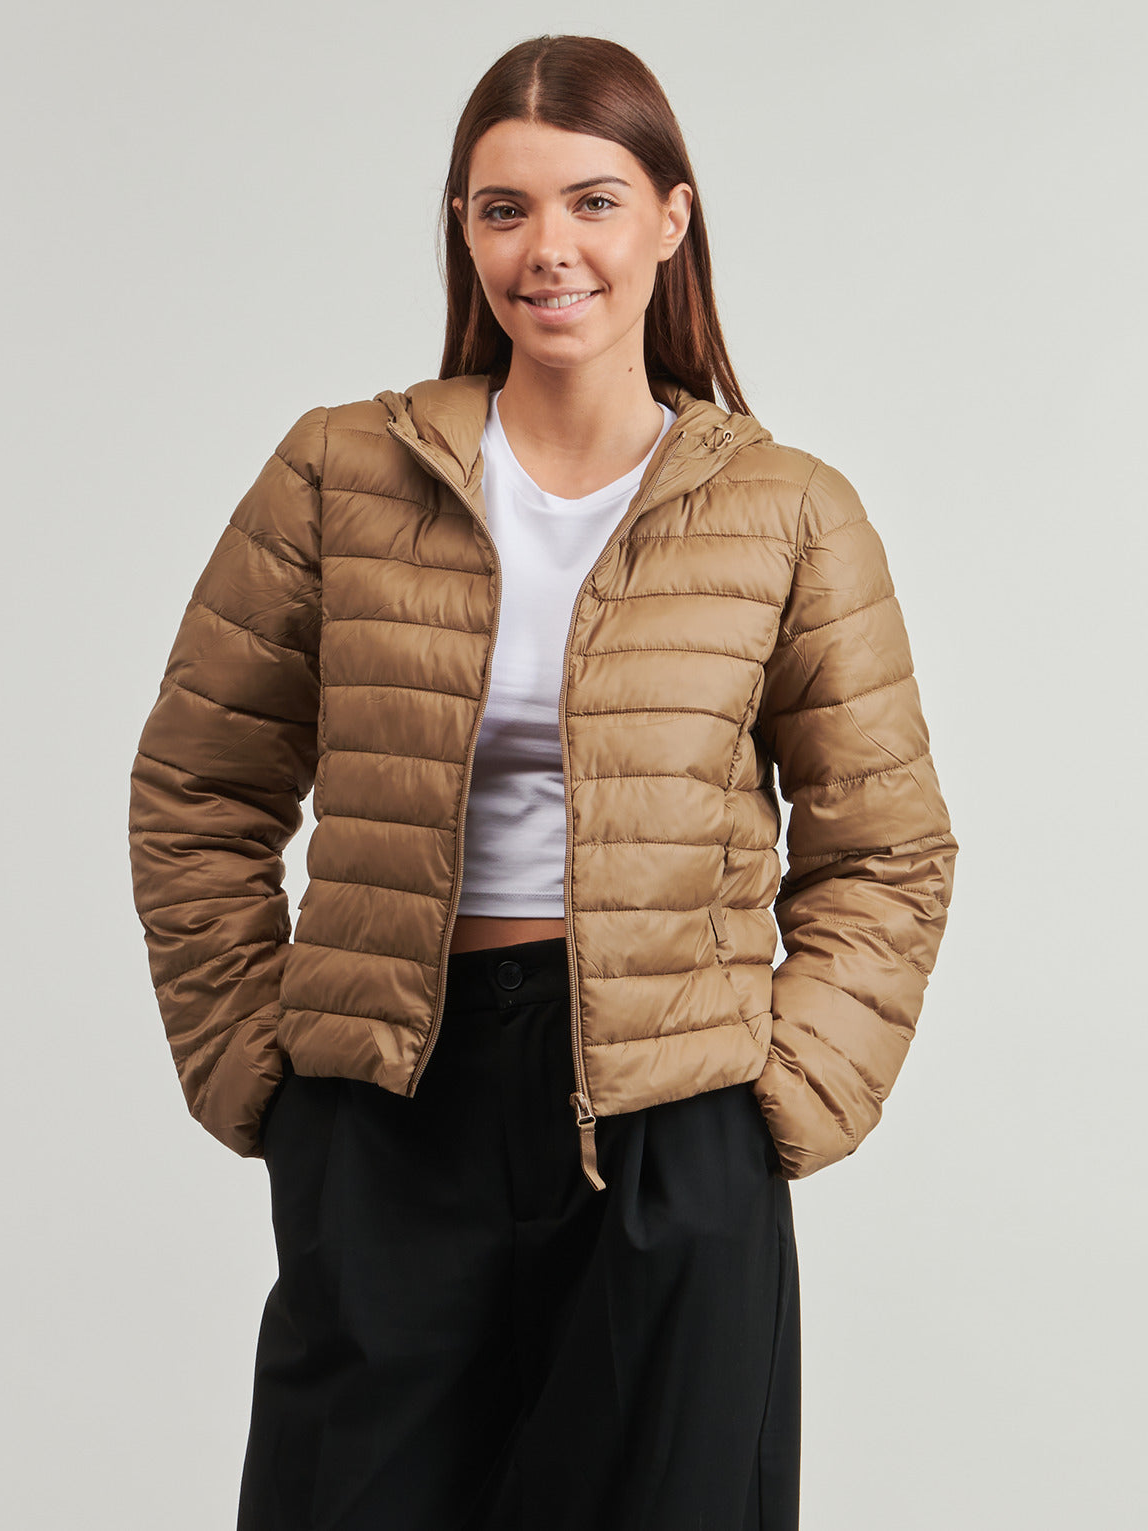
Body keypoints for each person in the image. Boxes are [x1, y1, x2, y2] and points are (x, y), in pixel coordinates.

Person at [128, 33, 957, 1531]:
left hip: (669, 1116)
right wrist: (261, 1068)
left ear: (671, 220)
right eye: (503, 209)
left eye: (593, 201)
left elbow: (885, 846)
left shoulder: (787, 512)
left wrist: (777, 1102)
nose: (547, 248)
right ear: (464, 231)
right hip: (389, 1102)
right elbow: (199, 784)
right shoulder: (338, 475)